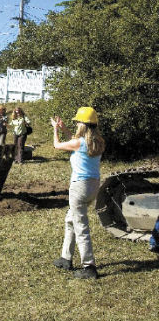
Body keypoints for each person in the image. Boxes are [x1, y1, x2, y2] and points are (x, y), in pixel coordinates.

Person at [50, 107, 105, 280]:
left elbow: (57, 145)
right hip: (93, 186)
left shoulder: (79, 142)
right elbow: (75, 142)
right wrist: (64, 128)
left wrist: (55, 129)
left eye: (77, 122)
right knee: (70, 219)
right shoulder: (98, 141)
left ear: (82, 124)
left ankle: (89, 266)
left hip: (79, 187)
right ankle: (66, 258)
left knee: (81, 226)